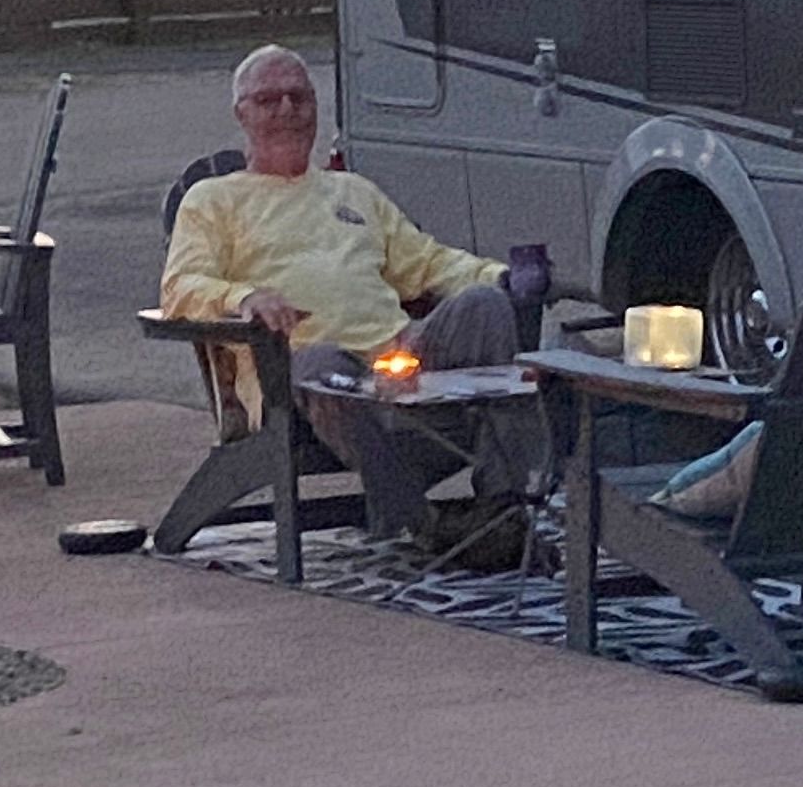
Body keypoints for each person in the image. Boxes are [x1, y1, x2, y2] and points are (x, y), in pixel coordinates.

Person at [159, 46, 548, 558]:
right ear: (241, 114)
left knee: (485, 307)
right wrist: (244, 297)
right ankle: (422, 523)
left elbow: (426, 263)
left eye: (299, 97)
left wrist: (503, 277)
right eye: (267, 99)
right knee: (321, 361)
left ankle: (502, 505)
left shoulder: (353, 192)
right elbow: (180, 287)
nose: (286, 110)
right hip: (299, 380)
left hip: (400, 365)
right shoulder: (213, 200)